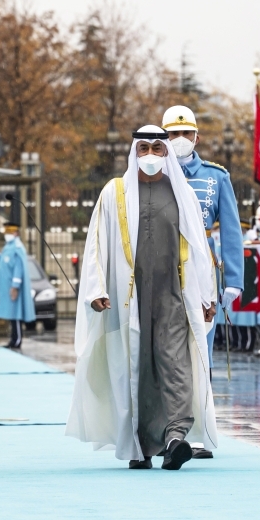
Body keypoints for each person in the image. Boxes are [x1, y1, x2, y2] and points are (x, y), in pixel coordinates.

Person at [66, 125, 218, 470]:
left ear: (167, 152)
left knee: (175, 364)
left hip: (173, 295)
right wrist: (96, 289)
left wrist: (207, 295)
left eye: (157, 149)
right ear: (134, 151)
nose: (151, 155)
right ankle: (141, 445)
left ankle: (175, 436)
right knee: (138, 368)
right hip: (128, 298)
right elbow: (96, 244)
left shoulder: (181, 192)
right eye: (144, 148)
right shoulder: (115, 193)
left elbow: (199, 247)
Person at [162, 105, 243, 341]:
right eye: (174, 134)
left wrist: (233, 280)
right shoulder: (153, 174)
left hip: (202, 265)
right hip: (163, 260)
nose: (180, 139)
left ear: (197, 137)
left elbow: (231, 231)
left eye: (186, 133)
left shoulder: (217, 176)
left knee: (202, 339)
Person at [0, 223, 35, 349]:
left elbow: (18, 269)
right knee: (12, 315)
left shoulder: (17, 248)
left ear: (15, 233)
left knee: (16, 315)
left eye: (9, 232)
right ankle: (13, 339)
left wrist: (15, 286)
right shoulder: (9, 247)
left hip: (13, 288)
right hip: (7, 287)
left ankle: (17, 340)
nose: (7, 235)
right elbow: (3, 261)